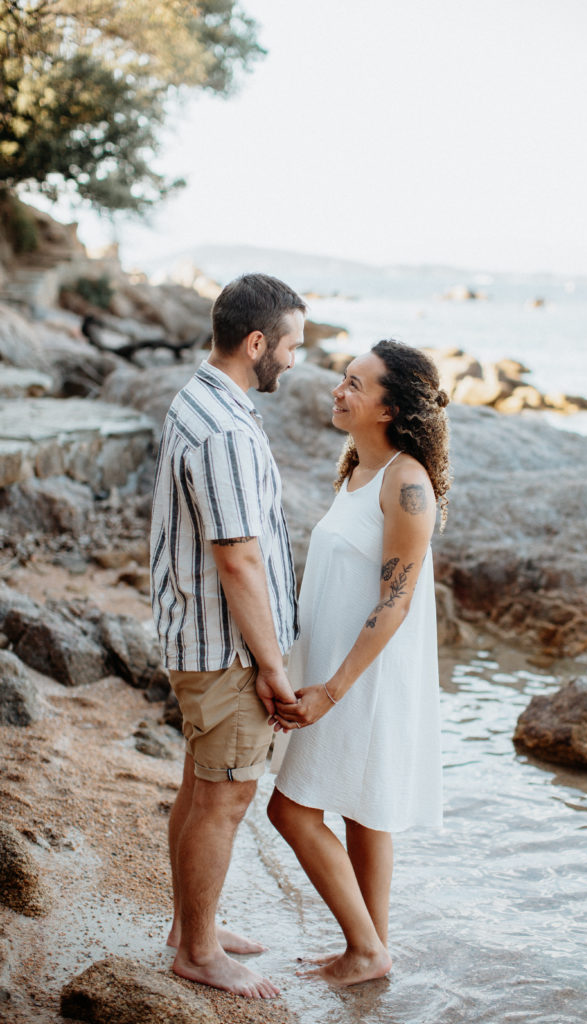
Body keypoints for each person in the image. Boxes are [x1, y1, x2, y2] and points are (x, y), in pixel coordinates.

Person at [267, 339, 450, 987]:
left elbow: (394, 604)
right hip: (331, 671)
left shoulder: (407, 483)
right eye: (342, 379)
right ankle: (369, 951)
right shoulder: (355, 470)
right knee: (362, 813)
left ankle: (366, 950)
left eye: (353, 384)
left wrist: (329, 691)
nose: (337, 390)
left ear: (390, 407)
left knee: (290, 811)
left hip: (362, 681)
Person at [150, 273, 305, 998]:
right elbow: (237, 556)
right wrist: (271, 667)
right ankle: (199, 953)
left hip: (202, 639)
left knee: (200, 786)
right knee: (226, 798)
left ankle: (190, 928)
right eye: (291, 345)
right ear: (256, 343)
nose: (295, 360)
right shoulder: (223, 429)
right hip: (226, 650)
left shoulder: (202, 399)